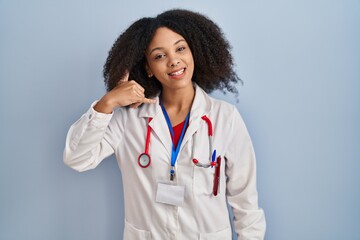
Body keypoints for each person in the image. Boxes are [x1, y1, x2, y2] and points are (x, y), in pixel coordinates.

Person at [63, 9, 266, 240]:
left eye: (180, 49)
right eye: (159, 56)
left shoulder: (225, 117)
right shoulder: (128, 119)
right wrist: (107, 102)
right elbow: (77, 158)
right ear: (148, 68)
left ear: (194, 52)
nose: (174, 61)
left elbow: (246, 203)